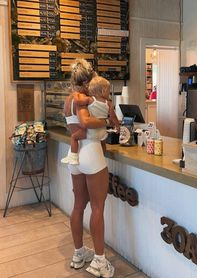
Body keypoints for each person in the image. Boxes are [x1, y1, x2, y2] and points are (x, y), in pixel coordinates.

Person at [64, 59, 115, 277]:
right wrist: (107, 121)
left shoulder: (68, 100)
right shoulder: (84, 100)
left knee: (77, 206)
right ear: (88, 79)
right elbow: (88, 123)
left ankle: (78, 254)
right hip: (91, 153)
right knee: (97, 208)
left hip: (74, 156)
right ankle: (100, 262)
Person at [61, 76, 120, 164]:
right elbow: (113, 117)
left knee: (74, 137)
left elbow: (78, 101)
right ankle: (102, 156)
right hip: (102, 133)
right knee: (102, 143)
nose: (109, 93)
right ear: (104, 91)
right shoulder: (109, 104)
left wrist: (75, 94)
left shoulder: (90, 100)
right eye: (108, 91)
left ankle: (73, 156)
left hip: (91, 133)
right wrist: (117, 126)